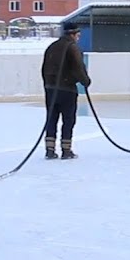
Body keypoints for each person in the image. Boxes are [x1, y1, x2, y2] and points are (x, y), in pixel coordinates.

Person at [41, 23, 91, 160]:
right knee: (68, 120)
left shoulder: (52, 47)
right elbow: (78, 67)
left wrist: (48, 85)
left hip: (51, 90)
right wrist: (85, 81)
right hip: (67, 89)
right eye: (78, 35)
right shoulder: (72, 48)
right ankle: (66, 149)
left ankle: (49, 150)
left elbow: (44, 68)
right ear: (73, 34)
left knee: (52, 118)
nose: (78, 38)